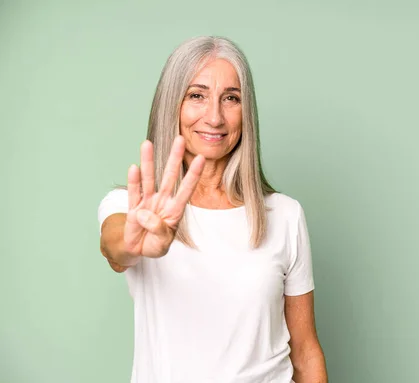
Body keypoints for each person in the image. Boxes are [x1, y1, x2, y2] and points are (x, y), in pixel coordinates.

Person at [97, 36, 327, 383]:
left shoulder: (285, 215)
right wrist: (133, 245)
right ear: (171, 105)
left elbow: (306, 350)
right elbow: (116, 246)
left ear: (245, 111)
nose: (215, 117)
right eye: (196, 95)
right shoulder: (133, 206)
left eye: (231, 98)